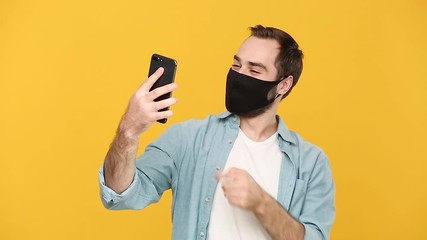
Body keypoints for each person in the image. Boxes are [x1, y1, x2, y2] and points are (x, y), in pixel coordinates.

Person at [99, 25, 335, 240]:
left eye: (254, 70)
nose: (240, 75)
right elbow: (119, 194)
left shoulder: (311, 163)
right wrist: (128, 130)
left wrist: (262, 203)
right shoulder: (188, 139)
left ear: (283, 85)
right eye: (236, 65)